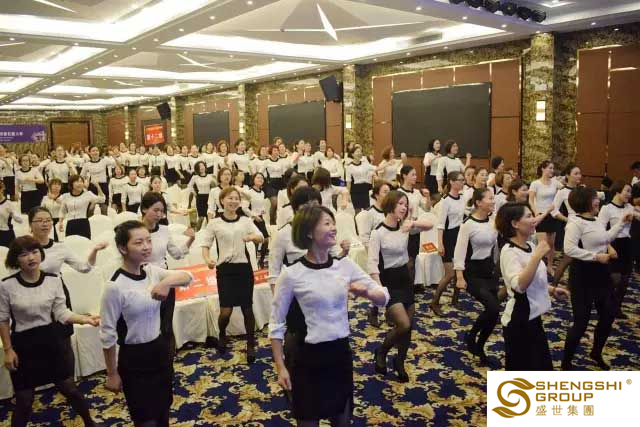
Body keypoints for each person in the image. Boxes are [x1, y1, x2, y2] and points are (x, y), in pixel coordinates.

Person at [269, 205, 389, 427]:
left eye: (333, 223)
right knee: (308, 422)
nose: (334, 228)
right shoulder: (292, 274)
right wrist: (280, 367)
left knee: (342, 421)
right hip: (306, 358)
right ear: (308, 232)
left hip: (339, 355)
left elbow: (382, 297)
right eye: (327, 223)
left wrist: (367, 293)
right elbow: (276, 323)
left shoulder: (344, 266)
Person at [0, 236, 102, 427]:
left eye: (34, 252)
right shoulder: (6, 285)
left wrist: (84, 319)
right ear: (16, 259)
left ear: (41, 254)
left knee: (70, 389)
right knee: (24, 400)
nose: (31, 257)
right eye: (24, 254)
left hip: (50, 341)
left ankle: (90, 423)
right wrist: (8, 349)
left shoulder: (54, 280)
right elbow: (3, 319)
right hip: (23, 345)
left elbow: (61, 313)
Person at [100, 220, 193, 427]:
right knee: (145, 420)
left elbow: (188, 277)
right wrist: (112, 373)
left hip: (159, 351)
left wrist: (165, 282)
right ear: (123, 248)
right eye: (138, 242)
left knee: (163, 413)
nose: (146, 247)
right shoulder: (114, 287)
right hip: (134, 358)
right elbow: (107, 334)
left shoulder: (151, 271)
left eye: (149, 241)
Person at [561, 186, 632, 371]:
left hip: (601, 273)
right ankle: (566, 363)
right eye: (595, 198)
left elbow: (606, 238)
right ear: (585, 201)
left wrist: (621, 223)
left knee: (608, 315)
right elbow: (569, 249)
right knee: (581, 322)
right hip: (582, 275)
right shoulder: (575, 223)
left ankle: (596, 352)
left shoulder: (596, 220)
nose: (598, 200)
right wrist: (595, 256)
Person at [496, 203, 570, 370]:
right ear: (515, 224)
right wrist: (536, 257)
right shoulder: (509, 251)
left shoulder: (530, 245)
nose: (534, 220)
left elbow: (534, 278)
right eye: (528, 216)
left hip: (533, 317)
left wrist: (550, 290)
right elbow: (519, 286)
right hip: (519, 320)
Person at [369, 191, 433, 382]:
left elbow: (430, 224)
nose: (404, 208)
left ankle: (400, 362)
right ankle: (382, 351)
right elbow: (372, 264)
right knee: (403, 323)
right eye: (400, 204)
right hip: (388, 281)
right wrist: (379, 288)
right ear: (390, 205)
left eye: (406, 204)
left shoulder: (405, 227)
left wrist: (413, 223)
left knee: (408, 327)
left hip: (404, 278)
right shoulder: (378, 232)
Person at [201, 187, 264, 363]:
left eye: (237, 198)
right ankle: (222, 334)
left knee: (247, 308)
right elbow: (205, 245)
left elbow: (260, 236)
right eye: (230, 198)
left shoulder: (245, 221)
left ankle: (250, 344)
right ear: (222, 200)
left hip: (243, 269)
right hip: (225, 270)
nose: (234, 201)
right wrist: (207, 259)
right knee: (226, 312)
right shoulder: (214, 223)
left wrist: (252, 238)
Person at [453, 188, 500, 367]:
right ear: (479, 203)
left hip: (489, 271)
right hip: (472, 272)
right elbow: (459, 252)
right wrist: (459, 277)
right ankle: (472, 335)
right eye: (490, 198)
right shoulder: (468, 224)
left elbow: (495, 248)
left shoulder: (493, 221)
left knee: (494, 313)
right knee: (493, 308)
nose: (493, 201)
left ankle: (479, 346)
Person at [598, 181, 640, 318]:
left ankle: (616, 308)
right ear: (617, 191)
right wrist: (609, 247)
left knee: (625, 281)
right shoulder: (607, 208)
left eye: (630, 192)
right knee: (614, 279)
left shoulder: (630, 207)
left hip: (627, 244)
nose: (629, 194)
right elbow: (600, 231)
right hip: (613, 243)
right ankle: (605, 305)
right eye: (627, 191)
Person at [430, 172, 466, 316]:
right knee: (450, 273)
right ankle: (434, 302)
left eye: (463, 180)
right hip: (448, 237)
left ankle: (455, 300)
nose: (462, 182)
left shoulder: (462, 198)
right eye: (460, 180)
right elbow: (440, 225)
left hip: (460, 236)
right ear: (451, 182)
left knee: (459, 270)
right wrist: (440, 244)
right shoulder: (445, 201)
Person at [356, 180, 391, 327]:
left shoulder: (390, 211)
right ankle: (373, 311)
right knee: (377, 285)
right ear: (376, 195)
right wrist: (371, 256)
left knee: (389, 283)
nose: (388, 195)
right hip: (376, 255)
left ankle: (390, 313)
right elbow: (364, 237)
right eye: (385, 192)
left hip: (389, 253)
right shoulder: (369, 213)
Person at [528, 160, 561, 275]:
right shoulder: (535, 183)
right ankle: (538, 266)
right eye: (549, 168)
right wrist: (536, 212)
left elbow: (565, 188)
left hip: (552, 214)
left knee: (551, 244)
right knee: (543, 244)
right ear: (543, 169)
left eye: (553, 168)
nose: (552, 170)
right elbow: (531, 200)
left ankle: (550, 266)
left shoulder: (555, 182)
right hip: (540, 215)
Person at [59, 175, 105, 239]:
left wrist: (98, 186)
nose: (80, 183)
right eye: (77, 181)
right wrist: (60, 222)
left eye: (81, 181)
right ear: (71, 184)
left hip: (83, 223)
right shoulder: (65, 196)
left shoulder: (88, 194)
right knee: (70, 243)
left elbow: (102, 199)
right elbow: (62, 211)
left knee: (84, 243)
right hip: (70, 224)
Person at [80, 146, 115, 215]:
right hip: (93, 187)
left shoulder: (104, 161)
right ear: (89, 153)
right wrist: (85, 183)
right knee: (92, 209)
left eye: (97, 150)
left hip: (103, 186)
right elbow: (81, 176)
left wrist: (113, 155)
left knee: (104, 208)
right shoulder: (87, 164)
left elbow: (115, 163)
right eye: (93, 151)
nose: (95, 152)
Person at [346, 146, 376, 212]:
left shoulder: (365, 164)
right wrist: (348, 195)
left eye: (360, 152)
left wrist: (386, 164)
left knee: (367, 210)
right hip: (355, 191)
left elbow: (375, 168)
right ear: (352, 154)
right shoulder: (349, 167)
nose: (359, 153)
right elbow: (348, 182)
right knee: (358, 211)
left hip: (365, 190)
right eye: (357, 152)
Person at [188, 161, 215, 230]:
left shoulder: (210, 176)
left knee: (209, 217)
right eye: (200, 166)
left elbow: (214, 186)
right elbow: (189, 186)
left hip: (209, 197)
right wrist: (194, 192)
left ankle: (209, 232)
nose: (202, 167)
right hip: (200, 198)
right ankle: (196, 232)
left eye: (203, 166)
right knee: (201, 218)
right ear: (197, 169)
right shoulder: (195, 177)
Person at [0, 180, 22, 247]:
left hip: (5, 233)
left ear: (2, 189)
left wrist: (14, 214)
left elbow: (20, 220)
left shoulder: (8, 204)